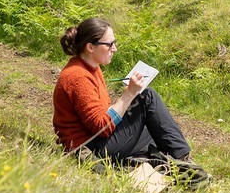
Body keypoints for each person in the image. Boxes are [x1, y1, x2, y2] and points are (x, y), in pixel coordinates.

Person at [53, 17, 194, 166]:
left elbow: (102, 114)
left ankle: (174, 161)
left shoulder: (91, 67)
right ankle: (185, 163)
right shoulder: (78, 77)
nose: (114, 48)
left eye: (114, 43)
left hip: (97, 140)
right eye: (109, 44)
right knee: (147, 96)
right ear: (90, 47)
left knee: (157, 130)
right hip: (90, 147)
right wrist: (129, 94)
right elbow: (102, 128)